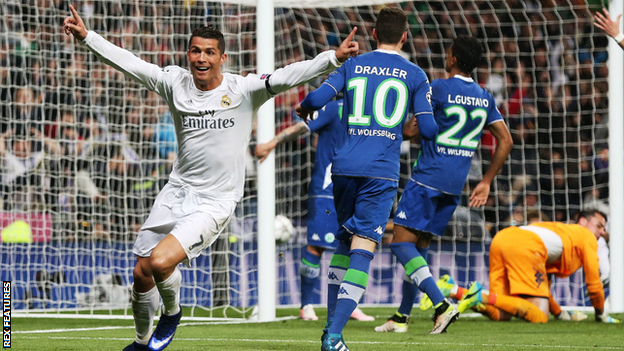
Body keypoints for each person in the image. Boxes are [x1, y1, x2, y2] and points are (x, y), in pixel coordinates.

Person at [63, 5, 359, 351]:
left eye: (209, 52)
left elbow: (288, 74)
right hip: (177, 191)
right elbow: (131, 64)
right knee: (141, 273)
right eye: (195, 51)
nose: (201, 58)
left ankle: (172, 314)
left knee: (160, 261)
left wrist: (333, 58)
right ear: (188, 54)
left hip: (215, 201)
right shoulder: (174, 83)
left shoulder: (245, 88)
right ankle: (142, 344)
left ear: (222, 57)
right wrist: (88, 38)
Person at [295, 7, 439, 351]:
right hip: (379, 172)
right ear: (405, 37)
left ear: (374, 35)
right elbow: (430, 130)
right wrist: (415, 126)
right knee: (364, 247)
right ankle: (333, 337)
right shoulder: (416, 74)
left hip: (341, 168)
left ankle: (331, 326)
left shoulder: (353, 64)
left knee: (344, 243)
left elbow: (315, 99)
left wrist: (303, 108)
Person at [374, 35, 513, 334]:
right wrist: (486, 181)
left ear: (451, 59)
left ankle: (441, 304)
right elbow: (506, 140)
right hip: (455, 184)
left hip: (427, 177)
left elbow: (412, 131)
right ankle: (401, 317)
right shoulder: (484, 97)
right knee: (419, 248)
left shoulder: (436, 88)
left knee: (399, 244)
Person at [255, 99, 374, 322]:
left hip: (357, 186)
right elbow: (303, 126)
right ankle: (306, 305)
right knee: (317, 245)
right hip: (327, 186)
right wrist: (272, 143)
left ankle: (348, 303)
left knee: (353, 245)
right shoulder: (333, 108)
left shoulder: (368, 108)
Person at [457, 209, 620, 324]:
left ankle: (453, 290)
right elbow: (593, 283)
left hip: (502, 239)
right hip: (524, 246)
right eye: (598, 225)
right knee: (540, 316)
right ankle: (481, 296)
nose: (602, 232)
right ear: (583, 221)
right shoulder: (586, 236)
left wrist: (558, 312)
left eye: (604, 228)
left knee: (501, 313)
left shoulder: (562, 233)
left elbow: (543, 286)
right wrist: (601, 314)